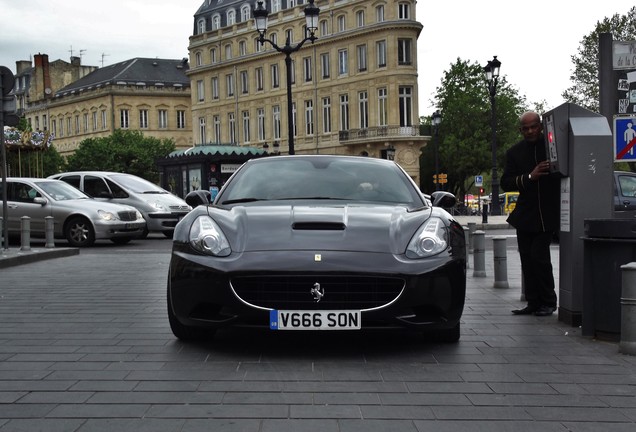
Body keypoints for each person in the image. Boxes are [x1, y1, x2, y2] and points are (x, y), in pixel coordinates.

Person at [500, 111, 560, 316]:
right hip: (526, 214)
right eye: (525, 128)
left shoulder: (552, 148)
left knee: (539, 257)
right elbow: (506, 182)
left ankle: (549, 301)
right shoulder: (514, 152)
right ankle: (533, 302)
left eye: (533, 126)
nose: (530, 131)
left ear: (541, 126)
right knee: (526, 257)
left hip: (549, 212)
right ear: (521, 130)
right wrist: (530, 176)